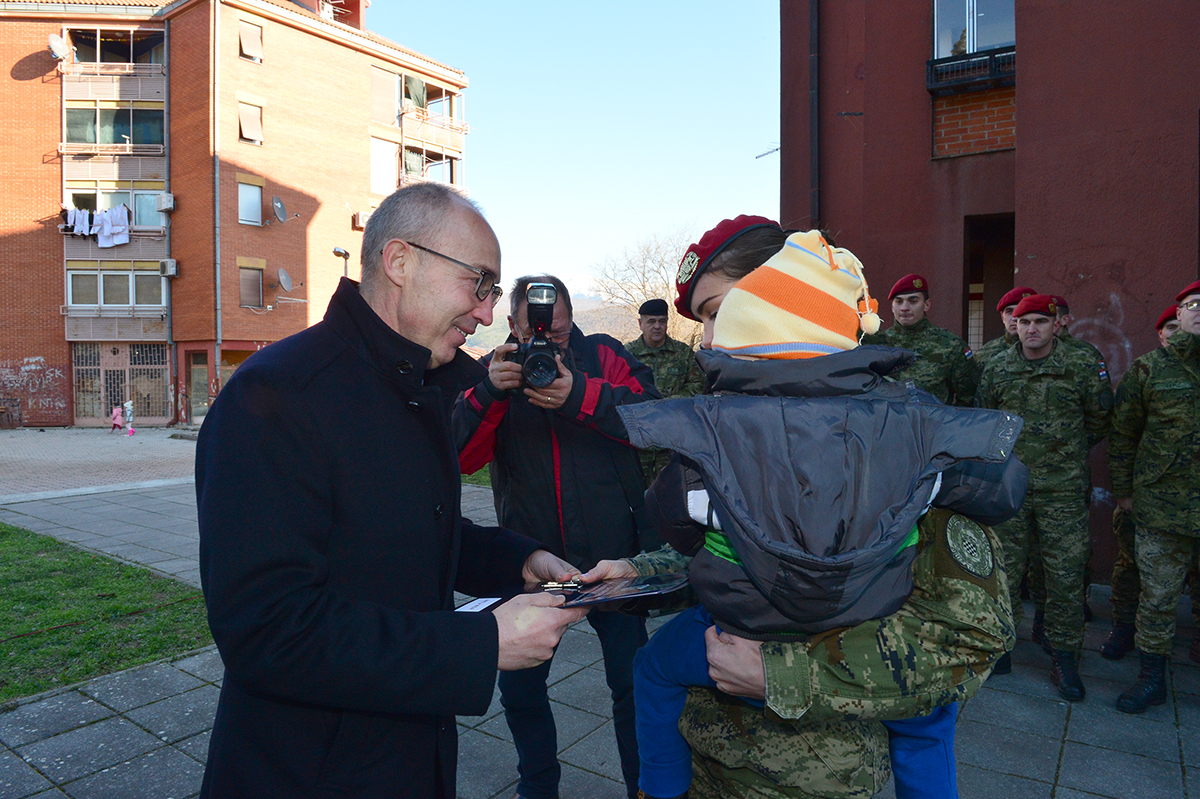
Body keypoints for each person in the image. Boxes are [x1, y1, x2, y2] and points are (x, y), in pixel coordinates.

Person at [590, 217, 1021, 799]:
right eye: (704, 322)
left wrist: (783, 675)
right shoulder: (728, 426)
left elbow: (967, 638)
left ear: (780, 295)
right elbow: (728, 545)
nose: (710, 341)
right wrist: (642, 573)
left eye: (720, 312)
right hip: (705, 772)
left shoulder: (909, 435)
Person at [195, 183, 588, 798]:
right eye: (479, 284)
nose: (487, 313)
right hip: (310, 768)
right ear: (400, 262)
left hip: (407, 754)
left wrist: (516, 560)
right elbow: (267, 629)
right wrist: (479, 644)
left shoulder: (420, 381)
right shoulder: (277, 395)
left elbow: (399, 526)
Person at [454, 275, 662, 799]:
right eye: (537, 337)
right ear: (512, 328)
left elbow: (651, 419)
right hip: (528, 563)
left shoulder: (605, 356)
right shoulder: (496, 372)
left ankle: (641, 787)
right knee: (521, 689)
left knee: (632, 687)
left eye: (562, 334)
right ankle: (538, 787)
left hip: (612, 559)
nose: (549, 347)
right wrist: (489, 393)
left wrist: (579, 394)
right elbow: (457, 457)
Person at [976, 294, 1113, 700]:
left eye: (1040, 321)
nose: (1031, 328)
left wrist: (1062, 453)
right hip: (1010, 489)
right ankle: (1001, 648)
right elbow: (986, 420)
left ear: (1057, 325)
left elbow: (1100, 419)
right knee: (1003, 573)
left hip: (1063, 491)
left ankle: (1065, 657)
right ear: (1014, 327)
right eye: (1024, 322)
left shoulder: (1082, 364)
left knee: (1065, 578)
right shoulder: (996, 367)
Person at [1108, 280, 1200, 713]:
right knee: (1159, 598)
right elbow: (1123, 434)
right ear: (1177, 315)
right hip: (1163, 507)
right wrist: (1123, 491)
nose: (1199, 311)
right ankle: (1151, 678)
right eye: (1191, 305)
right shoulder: (1150, 369)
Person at [864, 273, 980, 406]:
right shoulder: (879, 344)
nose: (904, 308)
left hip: (933, 424)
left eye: (913, 301)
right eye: (899, 301)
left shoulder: (950, 345)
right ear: (892, 307)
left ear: (926, 305)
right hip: (890, 424)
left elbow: (968, 398)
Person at [625, 298, 705, 486]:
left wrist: (668, 404)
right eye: (651, 321)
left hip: (672, 442)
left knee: (671, 494)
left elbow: (697, 385)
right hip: (637, 442)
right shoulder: (627, 354)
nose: (657, 326)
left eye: (662, 321)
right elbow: (616, 390)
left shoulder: (682, 353)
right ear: (640, 324)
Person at [974, 285, 1037, 370]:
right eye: (1009, 312)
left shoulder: (1054, 349)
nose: (1014, 318)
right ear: (1003, 317)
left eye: (1022, 310)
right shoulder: (985, 355)